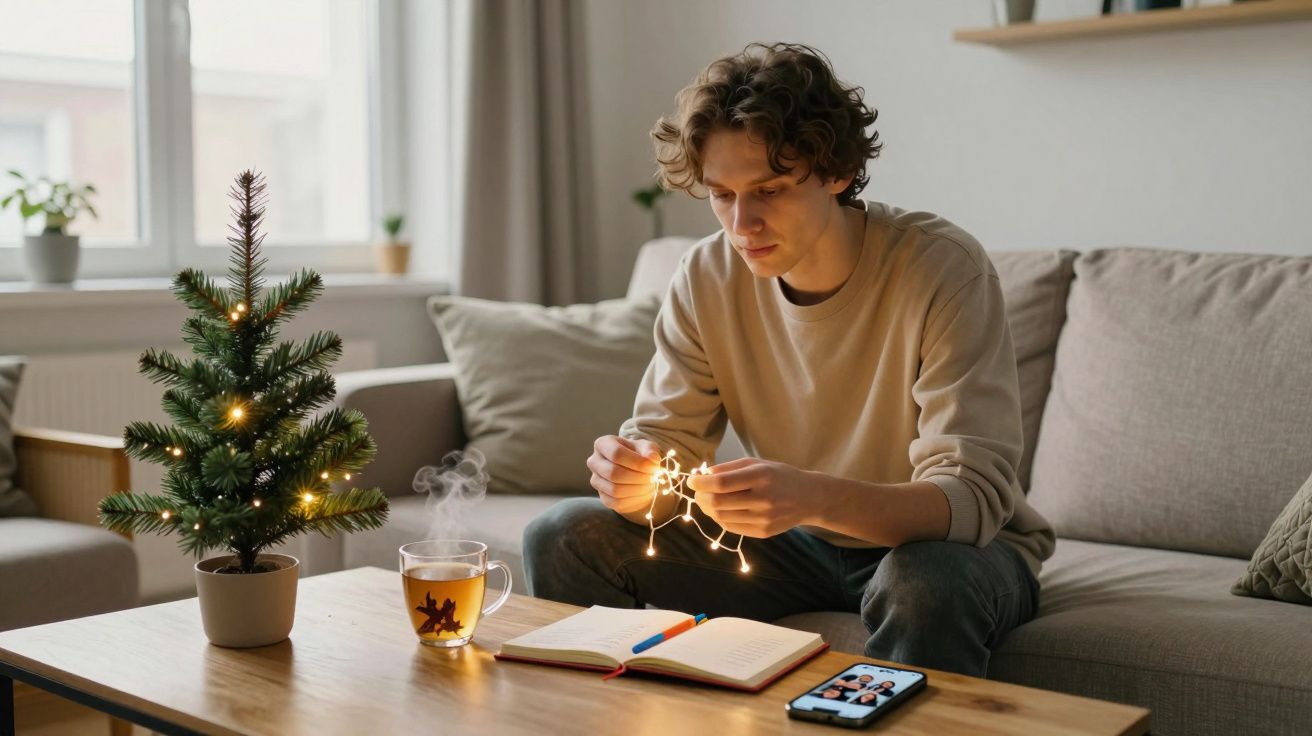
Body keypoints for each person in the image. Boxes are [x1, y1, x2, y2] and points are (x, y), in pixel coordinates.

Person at [524, 41, 1052, 678]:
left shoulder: (941, 269)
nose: (742, 223)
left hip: (949, 553)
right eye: (721, 195)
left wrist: (810, 498)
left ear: (836, 172)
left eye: (769, 190)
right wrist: (632, 478)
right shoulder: (706, 277)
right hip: (791, 548)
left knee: (923, 584)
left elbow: (967, 500)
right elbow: (665, 448)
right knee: (564, 534)